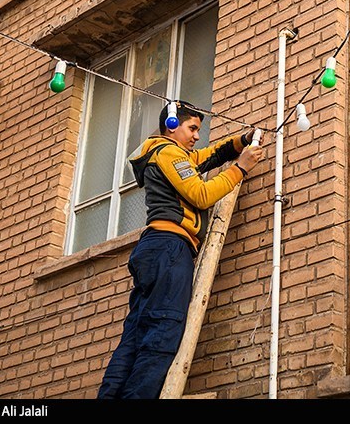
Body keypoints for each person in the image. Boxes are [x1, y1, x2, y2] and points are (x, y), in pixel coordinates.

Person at [97, 100, 264, 399]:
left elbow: (208, 156)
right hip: (171, 249)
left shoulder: (167, 154)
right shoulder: (169, 153)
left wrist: (240, 142)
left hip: (156, 250)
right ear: (171, 126)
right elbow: (201, 195)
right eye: (192, 128)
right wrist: (241, 168)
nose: (197, 136)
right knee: (163, 333)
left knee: (135, 336)